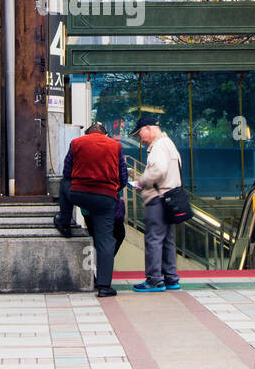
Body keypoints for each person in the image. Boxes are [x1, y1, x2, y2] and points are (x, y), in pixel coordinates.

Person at [55, 122, 126, 298]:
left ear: (87, 133)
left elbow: (67, 172)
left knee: (64, 184)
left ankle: (64, 221)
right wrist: (111, 190)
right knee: (106, 240)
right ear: (105, 134)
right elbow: (122, 178)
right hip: (105, 198)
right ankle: (104, 287)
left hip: (80, 194)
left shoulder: (76, 143)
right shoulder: (116, 146)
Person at [130, 113, 183, 293]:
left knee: (153, 239)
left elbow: (158, 169)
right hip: (170, 197)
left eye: (140, 134)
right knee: (168, 240)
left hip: (158, 198)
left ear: (148, 128)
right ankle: (171, 278)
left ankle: (154, 280)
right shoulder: (169, 144)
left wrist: (142, 182)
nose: (140, 139)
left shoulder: (159, 146)